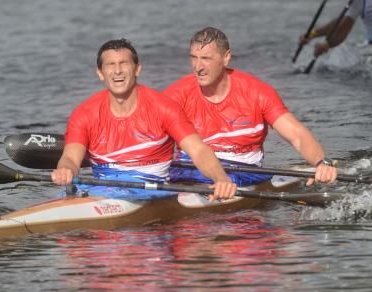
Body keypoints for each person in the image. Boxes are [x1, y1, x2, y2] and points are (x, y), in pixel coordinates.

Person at [51, 38, 238, 200]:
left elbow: (198, 151)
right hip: (101, 189)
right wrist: (65, 170)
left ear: (137, 69)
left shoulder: (164, 108)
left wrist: (221, 179)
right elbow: (70, 158)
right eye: (110, 65)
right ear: (100, 73)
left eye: (124, 63)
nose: (118, 71)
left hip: (153, 191)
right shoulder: (84, 113)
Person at [164, 27, 338, 186]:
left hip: (244, 171)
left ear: (226, 58)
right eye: (193, 58)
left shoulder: (257, 93)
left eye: (206, 59)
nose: (198, 67)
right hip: (190, 167)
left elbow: (297, 136)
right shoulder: (176, 95)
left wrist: (322, 163)